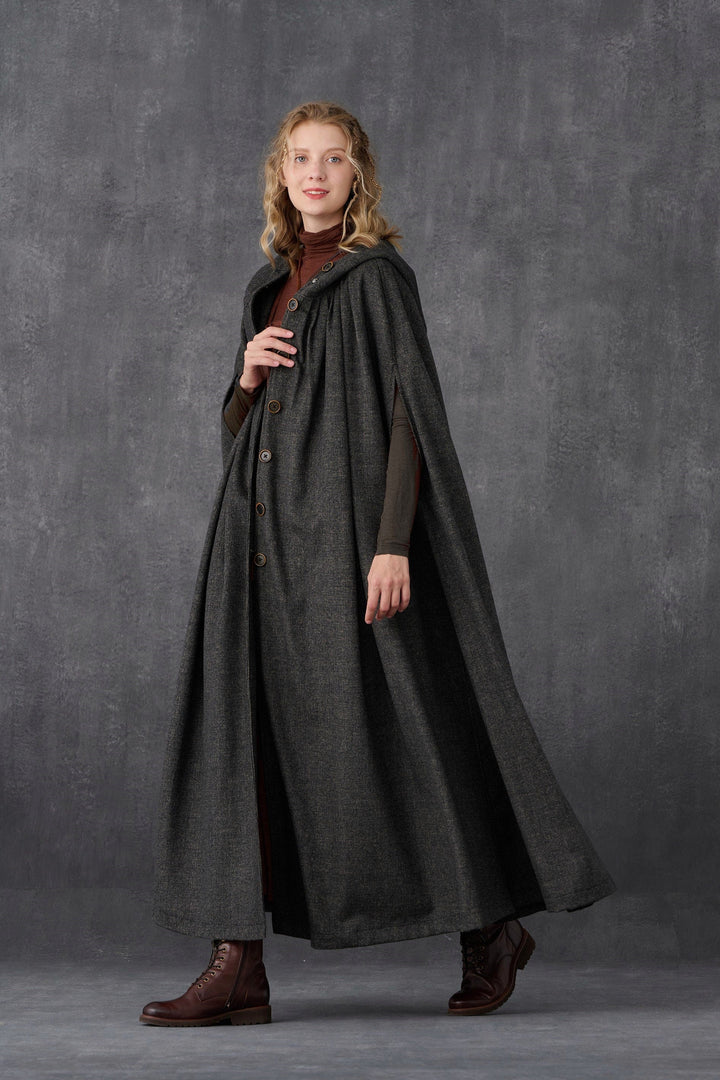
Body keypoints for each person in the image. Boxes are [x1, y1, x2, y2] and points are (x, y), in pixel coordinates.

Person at [140, 101, 615, 1028]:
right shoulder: (267, 288)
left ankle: (490, 926)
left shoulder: (378, 280)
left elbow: (410, 416)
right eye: (300, 159)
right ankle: (238, 966)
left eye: (334, 159)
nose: (315, 174)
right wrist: (243, 380)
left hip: (346, 541)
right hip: (259, 549)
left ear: (358, 174)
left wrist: (391, 542)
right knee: (249, 739)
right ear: (281, 174)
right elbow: (243, 442)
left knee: (410, 732)